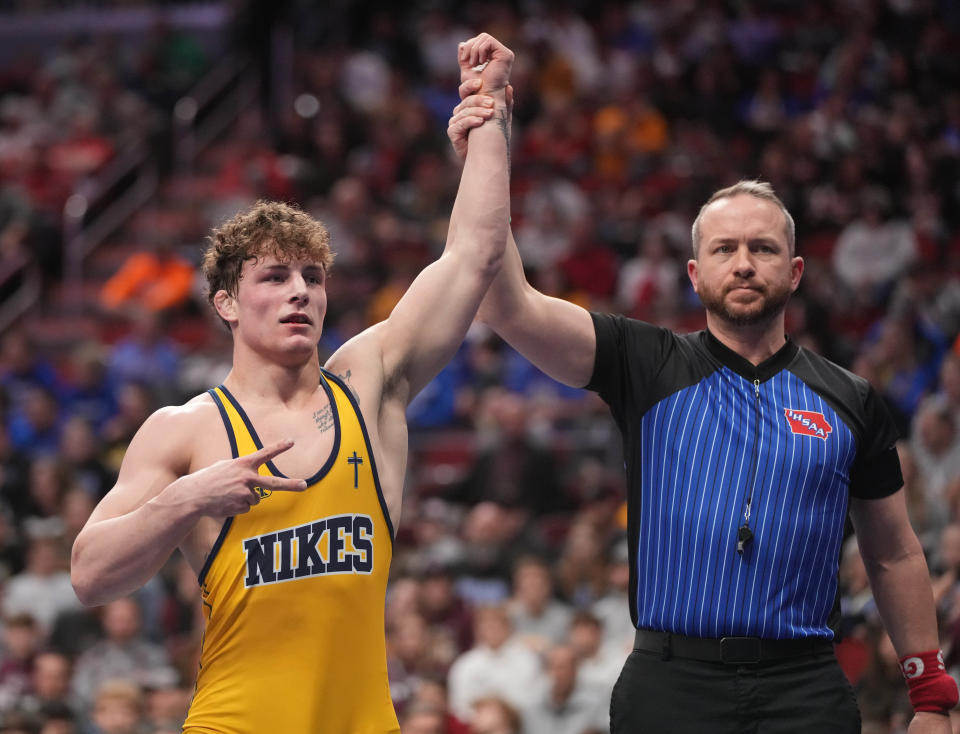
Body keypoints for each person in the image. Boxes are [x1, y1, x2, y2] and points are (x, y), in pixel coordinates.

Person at [449, 88, 957, 730]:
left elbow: (895, 554)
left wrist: (931, 696)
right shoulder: (644, 362)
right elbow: (506, 303)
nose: (743, 264)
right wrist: (484, 154)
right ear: (694, 273)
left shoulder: (851, 399)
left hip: (804, 687)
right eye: (724, 250)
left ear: (796, 271)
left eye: (763, 249)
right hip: (669, 685)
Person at [70, 33, 514, 734]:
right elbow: (90, 575)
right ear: (226, 304)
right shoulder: (184, 429)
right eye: (274, 278)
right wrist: (188, 498)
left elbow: (474, 257)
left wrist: (489, 115)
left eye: (312, 276)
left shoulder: (369, 382)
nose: (300, 292)